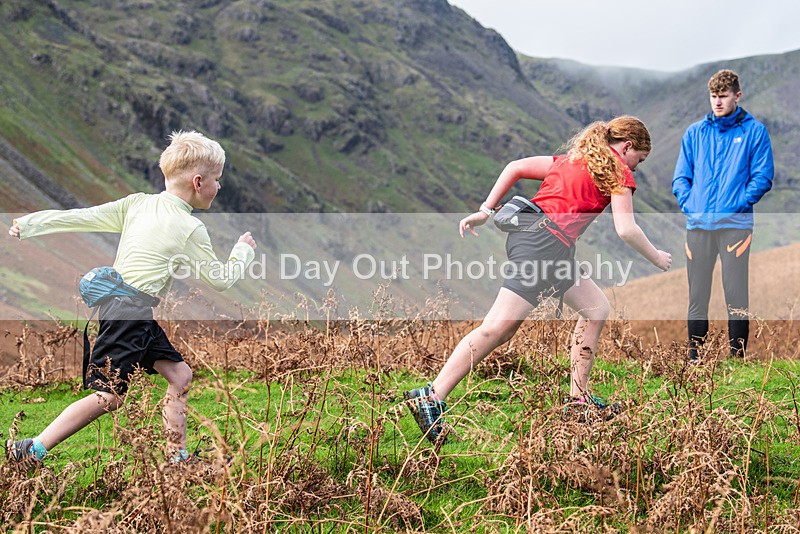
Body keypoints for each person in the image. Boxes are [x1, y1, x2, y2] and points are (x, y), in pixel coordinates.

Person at [405, 116, 672, 444]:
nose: (636, 167)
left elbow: (515, 166)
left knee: (595, 309)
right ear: (627, 147)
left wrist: (485, 211)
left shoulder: (571, 159)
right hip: (544, 246)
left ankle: (578, 401)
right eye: (639, 160)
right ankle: (430, 396)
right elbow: (626, 229)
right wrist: (657, 257)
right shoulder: (619, 171)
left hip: (542, 242)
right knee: (497, 328)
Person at [5, 130, 257, 466]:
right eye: (217, 179)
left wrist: (33, 224)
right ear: (198, 182)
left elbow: (84, 216)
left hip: (126, 308)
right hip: (130, 312)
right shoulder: (189, 227)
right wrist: (243, 250)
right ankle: (31, 449)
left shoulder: (137, 202)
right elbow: (222, 280)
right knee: (108, 396)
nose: (219, 187)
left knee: (180, 375)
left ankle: (177, 459)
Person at [672, 69, 773, 361]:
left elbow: (763, 177)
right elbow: (681, 178)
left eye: (723, 96)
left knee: (735, 293)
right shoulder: (695, 133)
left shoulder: (754, 131)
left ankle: (737, 357)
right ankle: (694, 356)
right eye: (713, 96)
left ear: (737, 96)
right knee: (697, 294)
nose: (717, 102)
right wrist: (691, 205)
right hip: (698, 225)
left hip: (735, 226)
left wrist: (738, 203)